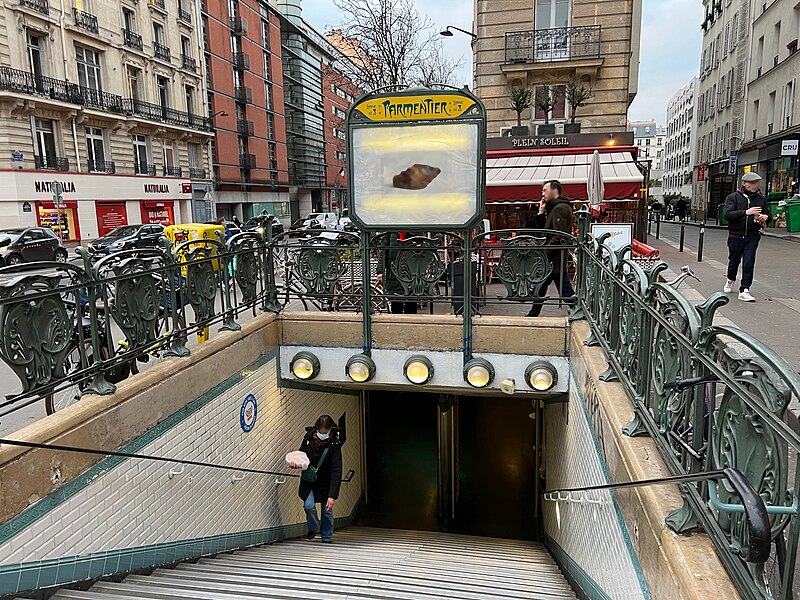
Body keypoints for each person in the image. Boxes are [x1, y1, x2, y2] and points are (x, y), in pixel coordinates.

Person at [289, 415, 343, 543]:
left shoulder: (335, 445)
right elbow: (301, 455)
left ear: (331, 430)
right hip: (309, 478)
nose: (322, 435)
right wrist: (296, 463)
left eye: (325, 432)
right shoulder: (308, 438)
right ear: (316, 429)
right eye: (320, 432)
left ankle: (326, 538)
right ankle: (313, 528)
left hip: (326, 481)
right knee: (308, 506)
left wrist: (332, 495)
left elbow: (337, 470)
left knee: (327, 510)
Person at [527, 180, 576, 317]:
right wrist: (541, 212)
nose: (542, 194)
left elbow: (559, 236)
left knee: (565, 291)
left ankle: (582, 311)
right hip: (552, 260)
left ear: (555, 191)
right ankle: (533, 314)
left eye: (544, 190)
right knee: (541, 287)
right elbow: (544, 232)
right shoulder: (554, 208)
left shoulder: (560, 208)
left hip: (554, 259)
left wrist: (545, 252)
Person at [723, 171, 771, 302]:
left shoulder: (761, 199)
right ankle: (730, 279)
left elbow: (769, 215)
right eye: (752, 183)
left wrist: (765, 217)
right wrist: (746, 212)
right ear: (744, 183)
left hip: (752, 235)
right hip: (735, 235)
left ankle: (744, 289)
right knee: (734, 261)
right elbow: (727, 215)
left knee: (749, 262)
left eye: (757, 183)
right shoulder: (733, 197)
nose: (755, 185)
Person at [377, 232, 417, 314]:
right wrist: (380, 271)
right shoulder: (389, 235)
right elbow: (383, 253)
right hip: (394, 272)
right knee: (396, 302)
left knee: (411, 301)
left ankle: (411, 324)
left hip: (410, 273)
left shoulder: (412, 234)